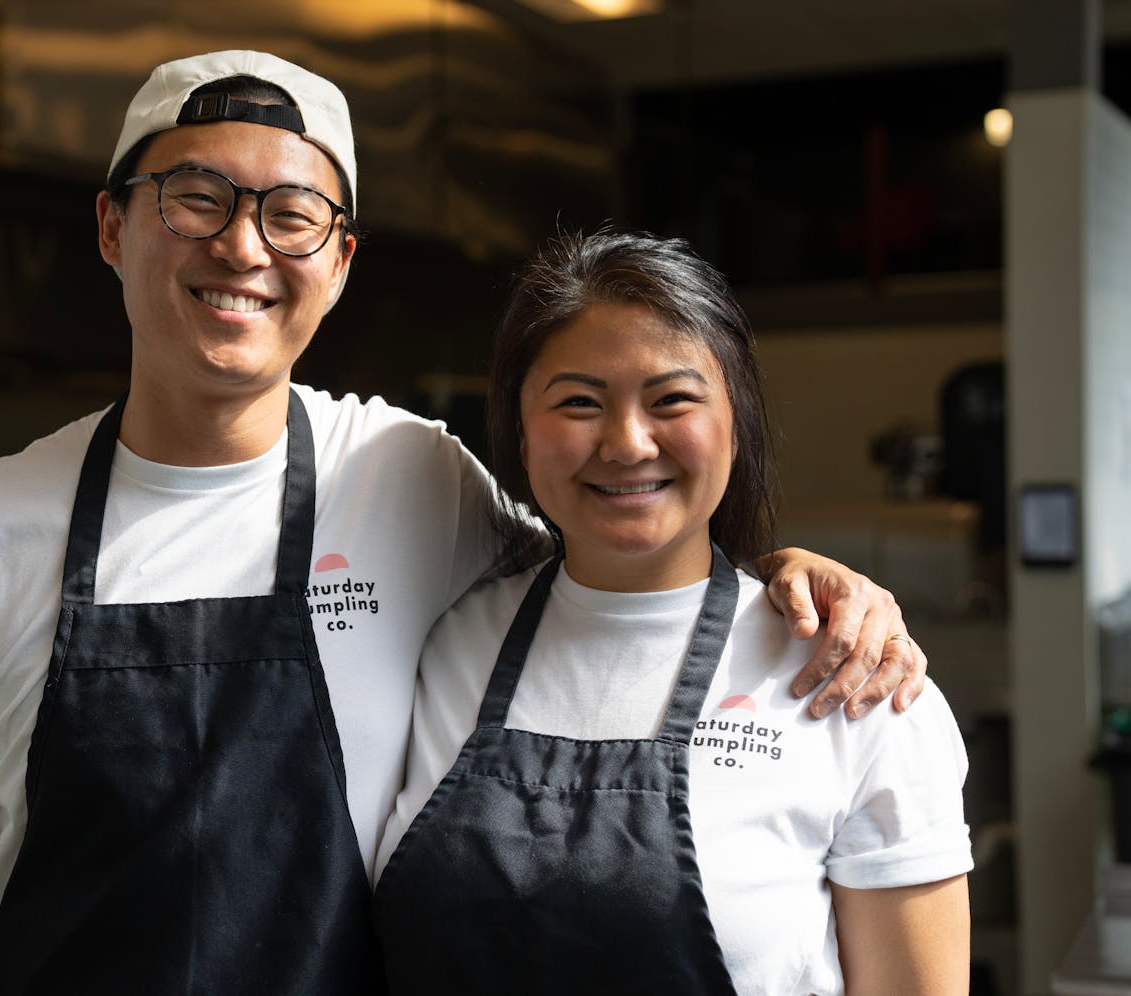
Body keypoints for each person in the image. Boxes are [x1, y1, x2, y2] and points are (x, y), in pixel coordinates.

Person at [0, 52, 930, 995]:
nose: (242, 247)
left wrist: (795, 578)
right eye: (194, 197)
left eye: (291, 215)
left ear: (339, 263)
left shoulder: (413, 475)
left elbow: (623, 545)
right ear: (112, 225)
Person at [373, 231, 971, 994]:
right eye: (579, 403)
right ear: (520, 430)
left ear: (737, 421)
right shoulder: (446, 641)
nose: (626, 444)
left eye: (673, 400)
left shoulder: (852, 680)